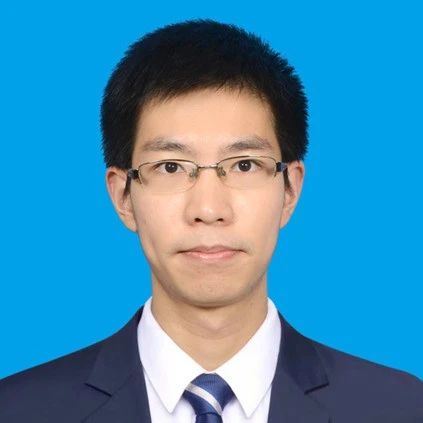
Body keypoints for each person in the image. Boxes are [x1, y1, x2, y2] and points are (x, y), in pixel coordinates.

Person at [0, 18, 422, 423]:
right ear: (123, 195)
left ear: (290, 190)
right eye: (170, 167)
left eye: (244, 165)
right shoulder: (18, 411)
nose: (208, 208)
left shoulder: (401, 409)